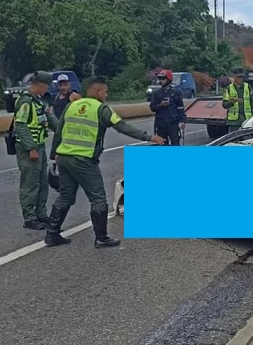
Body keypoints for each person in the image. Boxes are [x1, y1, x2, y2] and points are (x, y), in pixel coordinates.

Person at [46, 77, 165, 248]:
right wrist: (149, 137)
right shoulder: (101, 109)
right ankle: (101, 237)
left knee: (65, 195)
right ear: (98, 91)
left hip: (64, 157)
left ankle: (52, 234)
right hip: (84, 160)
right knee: (98, 198)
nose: (107, 94)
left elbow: (59, 131)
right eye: (106, 91)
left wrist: (54, 155)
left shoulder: (71, 106)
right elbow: (122, 126)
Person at [13, 72, 60, 230]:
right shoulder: (25, 101)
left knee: (42, 183)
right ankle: (30, 218)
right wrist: (31, 148)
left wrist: (63, 132)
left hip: (39, 146)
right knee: (30, 184)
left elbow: (51, 119)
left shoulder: (39, 101)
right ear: (40, 84)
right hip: (28, 149)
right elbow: (20, 126)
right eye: (46, 86)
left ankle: (41, 214)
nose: (47, 89)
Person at [149, 69, 186, 145]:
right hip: (161, 123)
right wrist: (160, 105)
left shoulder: (176, 92)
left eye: (163, 79)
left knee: (175, 143)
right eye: (160, 79)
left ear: (168, 79)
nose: (161, 81)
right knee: (162, 144)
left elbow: (180, 107)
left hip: (173, 123)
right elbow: (152, 107)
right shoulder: (156, 93)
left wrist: (183, 120)